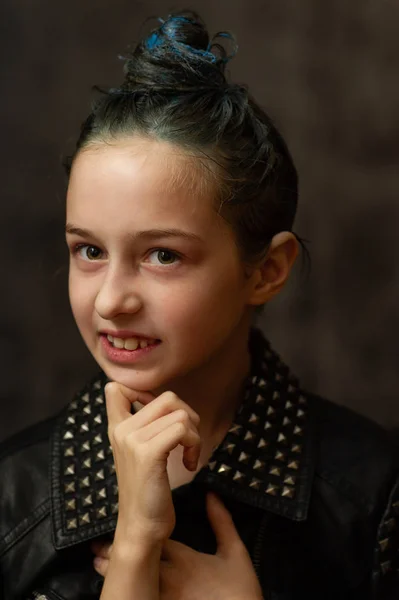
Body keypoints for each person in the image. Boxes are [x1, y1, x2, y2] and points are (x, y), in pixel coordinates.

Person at [0, 9, 398, 600]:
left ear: (266, 270)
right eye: (88, 250)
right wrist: (134, 546)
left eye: (163, 256)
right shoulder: (11, 498)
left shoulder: (376, 497)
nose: (111, 300)